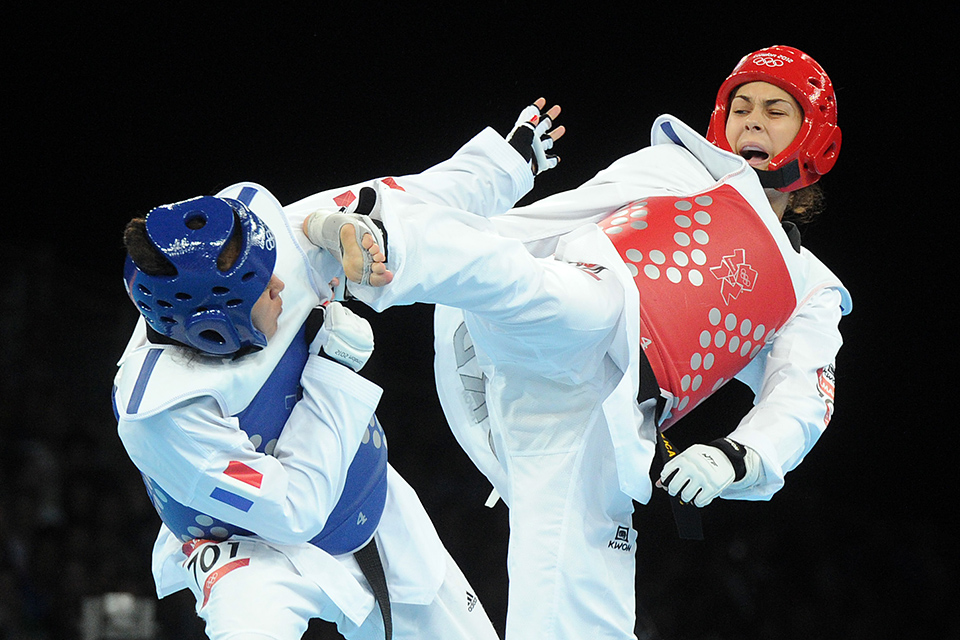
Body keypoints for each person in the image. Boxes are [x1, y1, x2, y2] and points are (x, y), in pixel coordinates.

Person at [295, 46, 851, 640]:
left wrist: (740, 456)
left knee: (581, 608)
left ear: (815, 141)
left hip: (598, 420)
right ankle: (371, 240)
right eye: (741, 107)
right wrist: (426, 237)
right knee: (560, 292)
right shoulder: (681, 170)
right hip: (575, 305)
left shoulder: (809, 288)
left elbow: (802, 396)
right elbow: (544, 221)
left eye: (775, 111)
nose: (753, 121)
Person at [112, 182, 505, 638]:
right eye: (262, 284)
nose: (280, 281)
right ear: (215, 326)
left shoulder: (246, 238)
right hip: (244, 547)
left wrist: (324, 227)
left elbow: (398, 194)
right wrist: (333, 374)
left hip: (361, 494)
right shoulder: (164, 413)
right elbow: (295, 509)